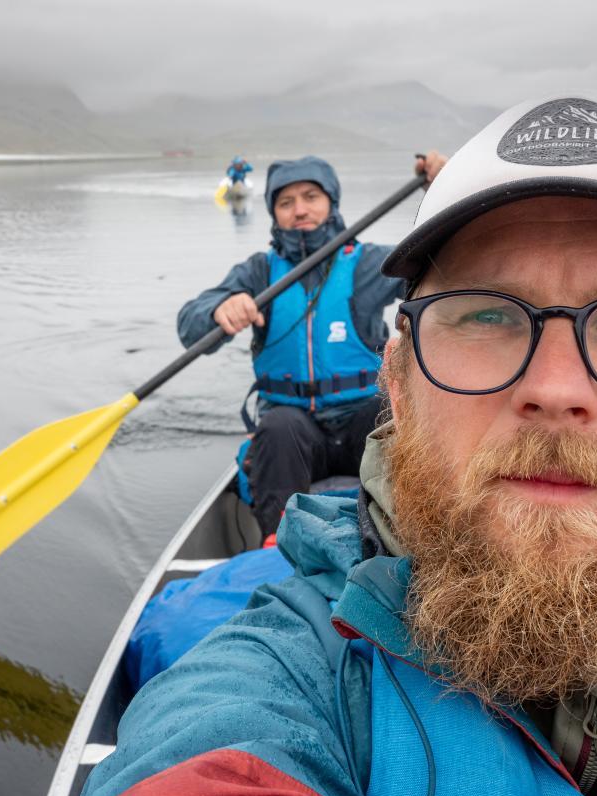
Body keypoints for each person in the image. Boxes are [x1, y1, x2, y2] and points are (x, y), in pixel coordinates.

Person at [37, 92, 597, 796]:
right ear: (400, 386)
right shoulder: (287, 668)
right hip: (300, 423)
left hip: (345, 419)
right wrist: (221, 310)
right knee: (283, 434)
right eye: (485, 314)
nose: (556, 391)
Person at [179, 153, 447, 539]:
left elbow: (445, 266)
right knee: (277, 427)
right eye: (286, 203)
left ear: (331, 203)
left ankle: (400, 535)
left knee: (389, 414)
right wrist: (218, 309)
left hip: (358, 421)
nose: (300, 210)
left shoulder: (367, 264)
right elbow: (189, 323)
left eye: (310, 197)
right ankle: (279, 546)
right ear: (274, 214)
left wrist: (442, 188)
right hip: (293, 434)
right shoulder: (257, 272)